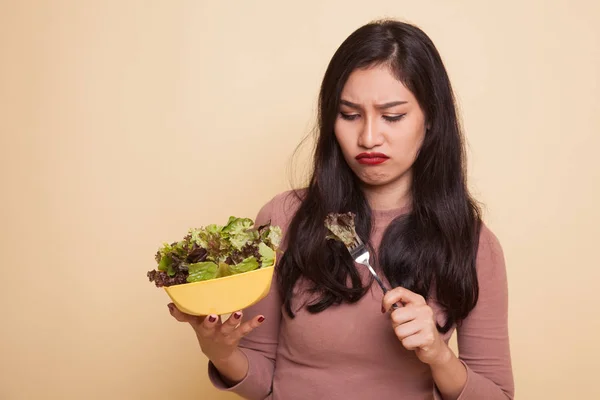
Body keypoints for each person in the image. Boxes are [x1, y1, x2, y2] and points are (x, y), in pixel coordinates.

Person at [168, 19, 514, 400]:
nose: (368, 137)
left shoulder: (474, 245)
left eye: (393, 116)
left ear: (431, 119)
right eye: (349, 114)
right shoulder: (283, 218)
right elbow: (264, 380)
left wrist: (438, 355)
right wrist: (220, 351)